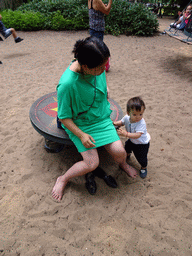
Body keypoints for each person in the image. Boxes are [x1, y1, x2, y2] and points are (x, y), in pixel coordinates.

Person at [52, 37, 137, 201]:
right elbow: (63, 117)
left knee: (120, 153)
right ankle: (63, 178)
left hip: (101, 117)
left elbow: (102, 81)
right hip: (81, 124)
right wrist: (82, 135)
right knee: (92, 163)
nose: (104, 69)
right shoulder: (67, 84)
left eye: (105, 64)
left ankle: (123, 164)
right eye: (100, 67)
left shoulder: (95, 66)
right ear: (85, 66)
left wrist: (105, 90)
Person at [113, 97, 150, 179]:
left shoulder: (141, 123)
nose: (138, 117)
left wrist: (126, 134)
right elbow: (122, 122)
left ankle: (144, 168)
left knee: (141, 157)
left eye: (140, 114)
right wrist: (115, 123)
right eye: (134, 114)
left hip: (141, 144)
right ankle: (128, 155)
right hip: (132, 140)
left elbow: (138, 135)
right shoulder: (127, 117)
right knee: (127, 147)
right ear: (128, 113)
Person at [88, 0, 112, 71]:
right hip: (98, 29)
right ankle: (103, 66)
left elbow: (96, 10)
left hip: (92, 28)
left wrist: (103, 7)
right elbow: (107, 11)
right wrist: (110, 1)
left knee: (94, 47)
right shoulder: (97, 0)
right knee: (99, 49)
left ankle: (95, 65)